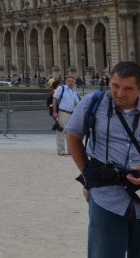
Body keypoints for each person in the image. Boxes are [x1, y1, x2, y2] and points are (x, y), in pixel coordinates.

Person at [67, 61, 140, 257]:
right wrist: (88, 176)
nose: (119, 93)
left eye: (128, 89)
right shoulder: (93, 103)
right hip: (106, 195)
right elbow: (73, 136)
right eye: (115, 86)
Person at [54, 75, 81, 156]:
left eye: (72, 81)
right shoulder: (61, 88)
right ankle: (61, 151)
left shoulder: (74, 91)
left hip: (72, 113)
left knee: (70, 133)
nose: (71, 83)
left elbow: (77, 103)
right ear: (66, 81)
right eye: (69, 81)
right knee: (61, 132)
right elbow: (54, 99)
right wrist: (54, 112)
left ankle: (70, 151)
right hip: (63, 112)